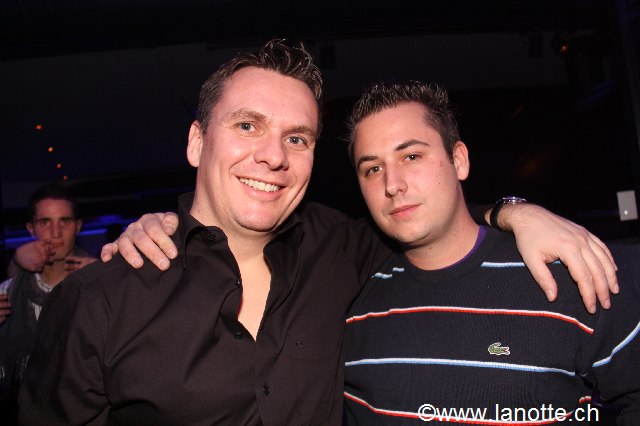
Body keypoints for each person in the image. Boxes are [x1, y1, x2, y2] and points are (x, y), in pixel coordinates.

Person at [21, 40, 617, 425]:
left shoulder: (344, 249)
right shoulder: (100, 299)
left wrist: (515, 211)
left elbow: (428, 212)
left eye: (297, 138)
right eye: (248, 126)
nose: (273, 156)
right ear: (197, 142)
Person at [342, 81, 640, 424]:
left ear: (459, 160)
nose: (392, 184)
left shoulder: (564, 270)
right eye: (373, 169)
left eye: (411, 156)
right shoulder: (351, 302)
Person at [0, 182, 95, 422]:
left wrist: (103, 279)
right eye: (45, 222)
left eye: (65, 221)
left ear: (78, 226)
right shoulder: (8, 291)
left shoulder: (98, 283)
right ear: (30, 228)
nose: (55, 232)